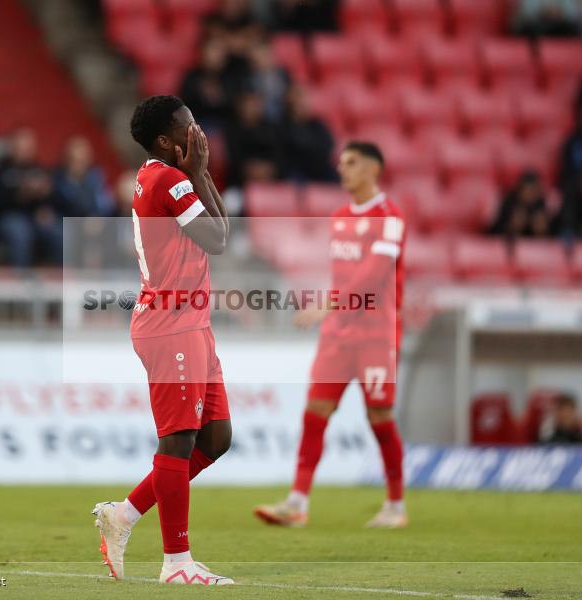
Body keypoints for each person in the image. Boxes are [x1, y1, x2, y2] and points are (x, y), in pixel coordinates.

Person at [92, 95, 233, 586]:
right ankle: (176, 564)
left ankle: (124, 516)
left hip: (191, 322)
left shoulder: (169, 176)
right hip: (171, 324)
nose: (197, 134)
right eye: (188, 126)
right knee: (178, 442)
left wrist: (203, 172)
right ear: (164, 141)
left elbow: (223, 233)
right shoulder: (169, 180)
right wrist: (198, 173)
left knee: (216, 439)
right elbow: (215, 240)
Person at [254, 141, 408, 529]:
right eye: (341, 163)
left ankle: (395, 504)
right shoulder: (339, 216)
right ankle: (297, 502)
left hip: (376, 334)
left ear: (374, 168)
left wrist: (327, 304)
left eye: (352, 163)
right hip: (339, 335)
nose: (343, 169)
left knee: (379, 416)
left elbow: (373, 274)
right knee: (315, 412)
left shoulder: (390, 217)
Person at [0, 128, 61, 269]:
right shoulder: (0, 170)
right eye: (21, 146)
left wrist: (45, 206)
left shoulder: (40, 170)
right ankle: (20, 280)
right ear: (12, 147)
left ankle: (64, 280)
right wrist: (22, 194)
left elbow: (52, 199)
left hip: (34, 218)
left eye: (28, 146)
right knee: (19, 231)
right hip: (6, 218)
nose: (25, 150)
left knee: (58, 231)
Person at [224, 90, 282, 186]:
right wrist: (250, 170)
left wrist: (268, 170)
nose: (252, 107)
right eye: (248, 102)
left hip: (270, 182)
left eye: (255, 103)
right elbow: (233, 160)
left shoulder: (271, 129)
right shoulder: (232, 130)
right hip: (239, 184)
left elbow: (279, 156)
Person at [280, 85, 336, 182]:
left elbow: (328, 145)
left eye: (304, 100)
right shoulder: (284, 126)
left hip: (319, 168)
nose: (303, 104)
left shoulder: (317, 124)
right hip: (297, 171)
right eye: (298, 100)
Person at [52, 137, 115, 218]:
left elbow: (106, 207)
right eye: (75, 161)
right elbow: (70, 207)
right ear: (66, 159)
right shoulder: (57, 181)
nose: (80, 166)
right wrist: (73, 179)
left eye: (83, 160)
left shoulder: (97, 177)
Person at [489, 171, 552, 239]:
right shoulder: (509, 203)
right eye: (528, 190)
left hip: (534, 246)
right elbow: (493, 233)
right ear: (520, 189)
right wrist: (512, 227)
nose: (530, 194)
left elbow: (552, 235)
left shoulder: (540, 204)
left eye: (534, 190)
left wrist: (542, 231)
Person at [515, 0, 582, 37]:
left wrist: (559, 12)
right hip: (538, 26)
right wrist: (544, 11)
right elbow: (527, 13)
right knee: (528, 27)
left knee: (575, 27)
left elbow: (574, 14)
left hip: (562, 26)